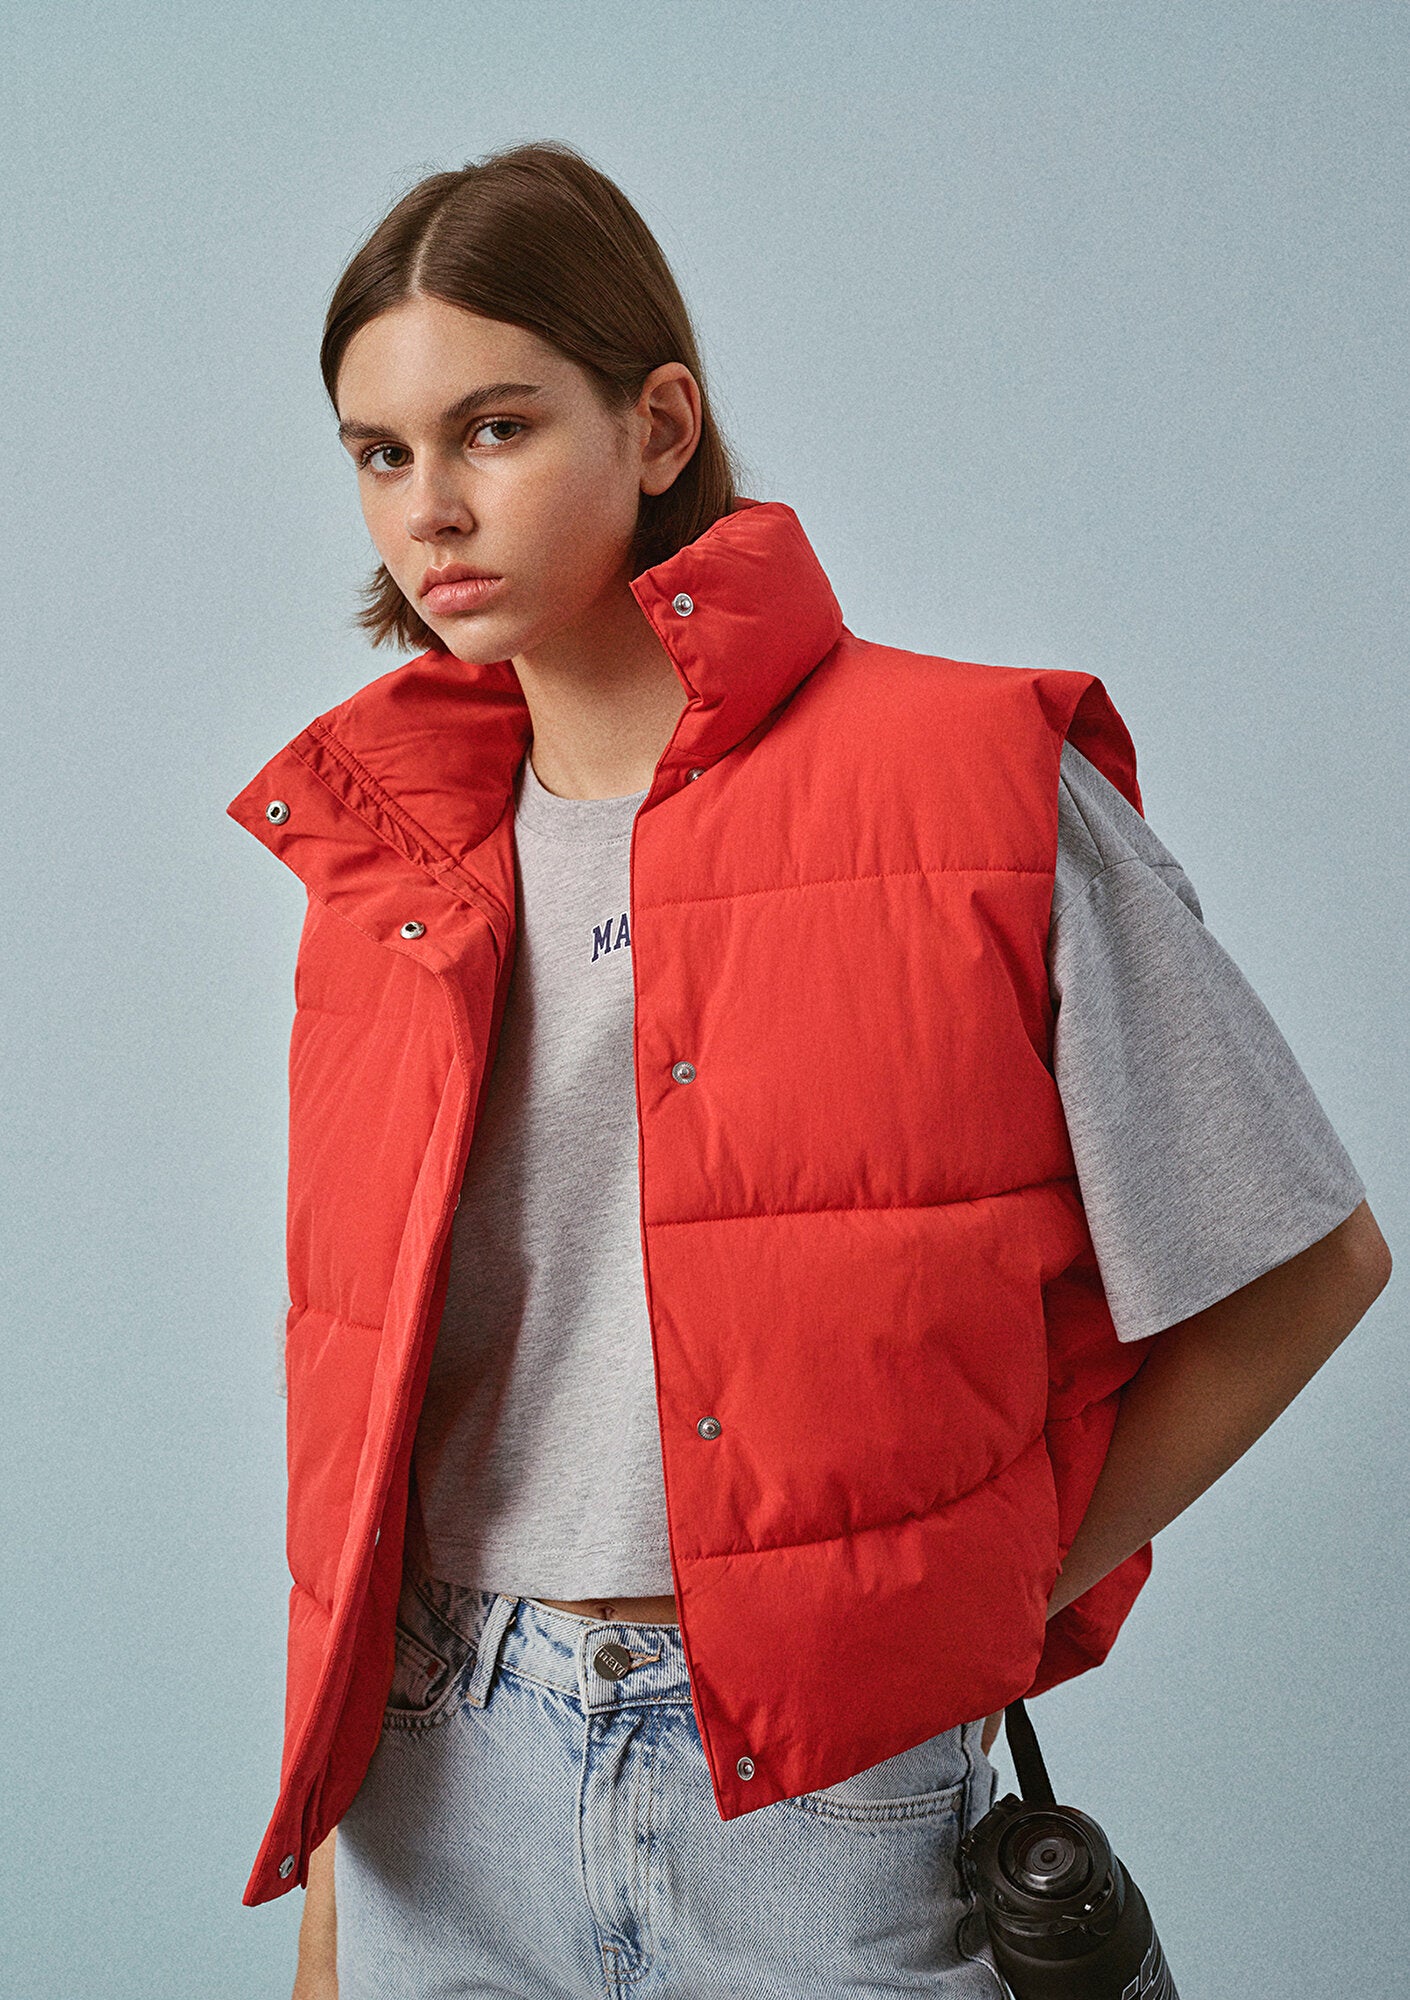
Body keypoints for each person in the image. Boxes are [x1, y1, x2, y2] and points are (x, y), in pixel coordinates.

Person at [225, 141, 1392, 1999]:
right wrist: (333, 1899)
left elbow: (1303, 1262)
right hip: (437, 1771)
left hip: (817, 1795)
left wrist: (955, 1609)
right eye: (380, 453)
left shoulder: (970, 784)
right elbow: (381, 1420)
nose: (429, 509)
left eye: (495, 429)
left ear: (657, 423)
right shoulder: (386, 861)